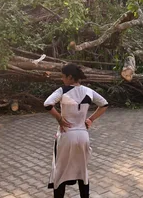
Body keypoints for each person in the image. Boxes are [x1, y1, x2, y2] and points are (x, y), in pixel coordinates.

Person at [44, 63, 109, 198]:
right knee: (83, 173)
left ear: (70, 77)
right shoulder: (88, 91)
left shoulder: (62, 90)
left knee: (60, 172)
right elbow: (104, 104)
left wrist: (60, 119)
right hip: (83, 135)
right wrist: (90, 119)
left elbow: (47, 104)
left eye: (63, 77)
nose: (62, 79)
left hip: (66, 135)